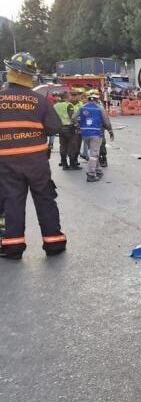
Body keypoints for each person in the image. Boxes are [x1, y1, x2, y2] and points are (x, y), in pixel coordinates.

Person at [0, 52, 66, 259]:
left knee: (12, 201)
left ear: (10, 72)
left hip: (6, 162)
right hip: (37, 162)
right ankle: (54, 242)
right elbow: (55, 127)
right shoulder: (40, 101)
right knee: (45, 198)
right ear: (31, 76)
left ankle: (13, 246)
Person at [72, 90, 114, 182]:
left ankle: (98, 170)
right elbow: (106, 122)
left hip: (84, 134)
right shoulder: (99, 108)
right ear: (96, 99)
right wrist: (110, 132)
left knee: (93, 152)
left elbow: (73, 118)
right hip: (96, 134)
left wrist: (77, 125)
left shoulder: (82, 108)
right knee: (94, 154)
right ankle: (91, 174)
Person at [53, 92, 80, 170]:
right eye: (69, 96)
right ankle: (72, 164)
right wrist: (77, 125)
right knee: (72, 146)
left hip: (60, 128)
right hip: (70, 128)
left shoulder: (55, 106)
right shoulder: (69, 105)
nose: (70, 97)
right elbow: (73, 117)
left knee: (63, 146)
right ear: (66, 97)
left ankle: (64, 164)